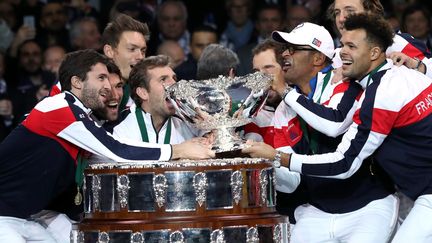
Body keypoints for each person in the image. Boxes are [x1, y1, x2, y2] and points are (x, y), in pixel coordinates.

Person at [243, 13, 432, 242]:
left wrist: (277, 157)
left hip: (384, 202)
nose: (341, 53)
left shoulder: (379, 94)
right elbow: (294, 181)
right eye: (342, 44)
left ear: (374, 53)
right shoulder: (391, 78)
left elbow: (343, 162)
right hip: (414, 194)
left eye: (351, 46)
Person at [0, 49, 214, 242]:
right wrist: (178, 150)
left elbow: (113, 150)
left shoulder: (78, 114)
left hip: (25, 216)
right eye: (101, 78)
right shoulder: (59, 109)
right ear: (77, 82)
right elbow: (117, 149)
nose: (108, 86)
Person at [272, 22, 397, 242]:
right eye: (284, 48)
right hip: (317, 209)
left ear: (318, 58)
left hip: (367, 207)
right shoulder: (284, 107)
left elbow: (333, 124)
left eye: (293, 49)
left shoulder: (346, 81)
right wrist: (262, 161)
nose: (284, 54)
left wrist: (284, 91)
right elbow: (290, 182)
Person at [113, 55, 200, 144]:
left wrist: (207, 129)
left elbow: (211, 136)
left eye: (174, 78)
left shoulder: (187, 122)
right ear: (143, 93)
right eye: (163, 79)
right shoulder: (122, 130)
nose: (174, 84)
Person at [102, 13, 149, 112]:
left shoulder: (142, 95)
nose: (140, 57)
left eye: (143, 51)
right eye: (132, 49)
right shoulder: (87, 90)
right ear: (109, 51)